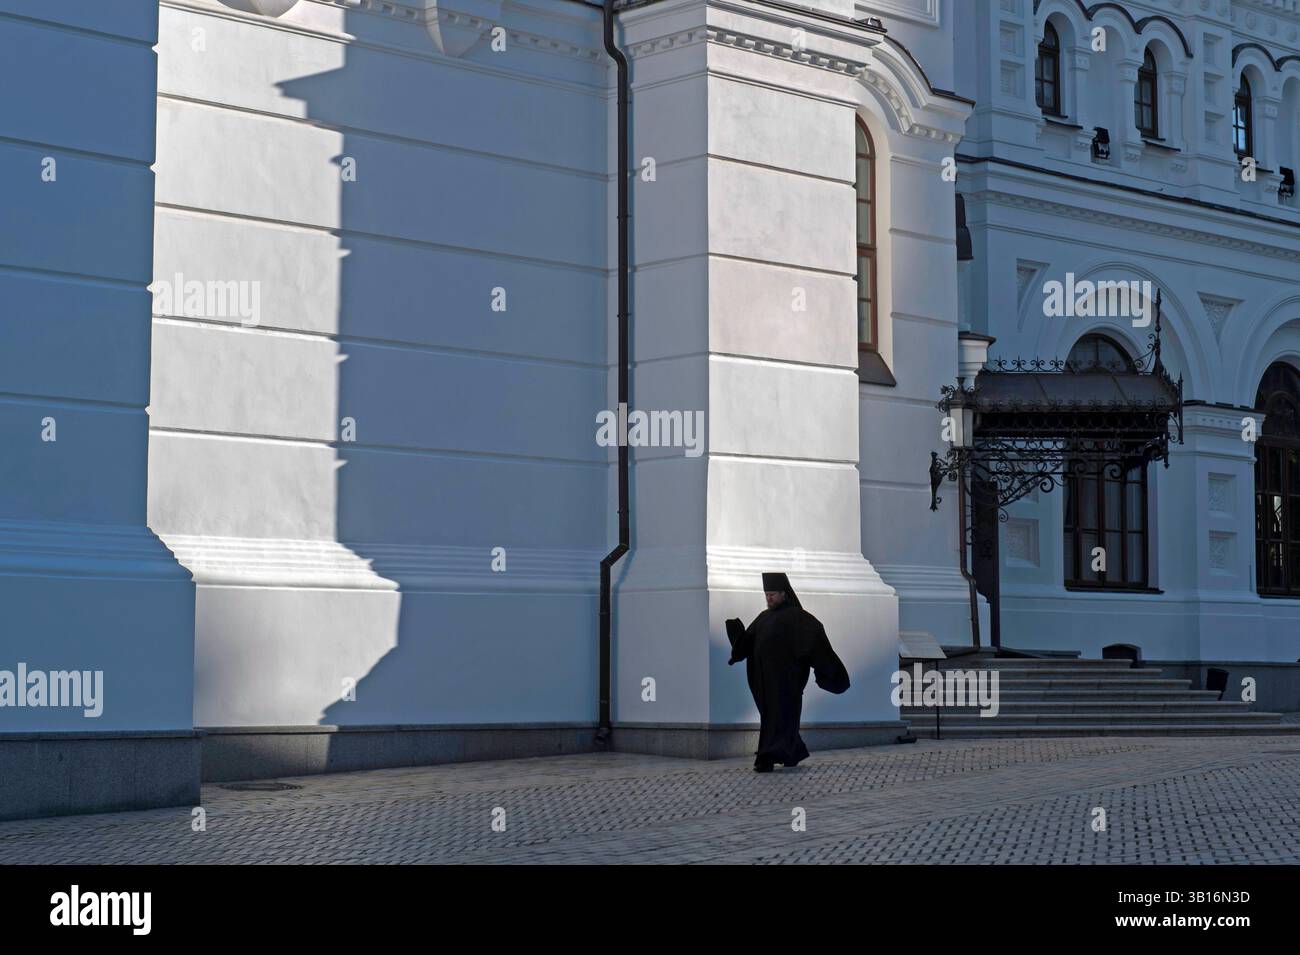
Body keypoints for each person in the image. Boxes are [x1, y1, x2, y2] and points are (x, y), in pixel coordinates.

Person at [725, 572, 850, 773]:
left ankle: (765, 758)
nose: (769, 598)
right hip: (763, 682)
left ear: (784, 594)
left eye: (772, 594)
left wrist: (829, 673)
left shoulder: (799, 619)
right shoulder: (763, 618)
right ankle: (792, 753)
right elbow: (748, 641)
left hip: (787, 682)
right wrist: (736, 635)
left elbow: (815, 642)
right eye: (766, 594)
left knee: (778, 719)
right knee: (776, 719)